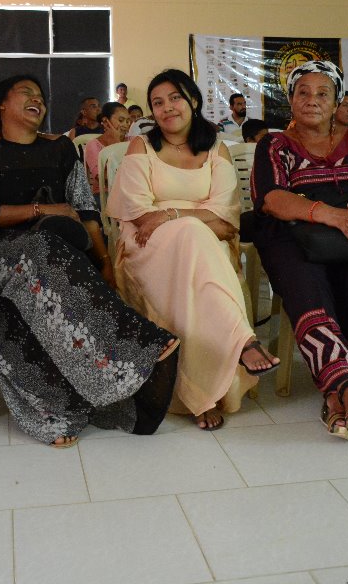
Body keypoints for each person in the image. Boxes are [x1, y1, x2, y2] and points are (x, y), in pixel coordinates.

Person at [0, 74, 180, 447]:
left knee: (37, 286)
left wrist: (104, 259)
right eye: (26, 93)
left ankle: (67, 408)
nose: (38, 100)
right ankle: (135, 347)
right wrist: (42, 209)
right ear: (1, 104)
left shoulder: (61, 148)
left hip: (59, 252)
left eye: (41, 96)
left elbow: (84, 209)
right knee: (39, 251)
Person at [108, 69, 278, 431]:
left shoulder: (216, 147)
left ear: (193, 101)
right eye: (158, 102)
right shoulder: (142, 146)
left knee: (193, 239)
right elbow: (138, 214)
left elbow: (227, 220)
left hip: (204, 244)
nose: (167, 107)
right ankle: (242, 340)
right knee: (192, 232)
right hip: (147, 248)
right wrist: (193, 218)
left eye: (175, 98)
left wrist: (171, 213)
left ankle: (200, 393)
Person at [251, 60, 348, 441]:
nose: (312, 100)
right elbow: (272, 200)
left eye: (323, 93)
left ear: (337, 102)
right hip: (294, 235)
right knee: (306, 285)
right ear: (290, 100)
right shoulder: (275, 144)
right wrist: (331, 216)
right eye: (303, 92)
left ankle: (342, 397)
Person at [83, 101, 132, 201]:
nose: (126, 125)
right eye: (121, 120)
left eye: (128, 121)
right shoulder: (93, 145)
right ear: (105, 122)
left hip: (131, 192)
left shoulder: (133, 141)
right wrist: (116, 144)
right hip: (105, 195)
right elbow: (106, 179)